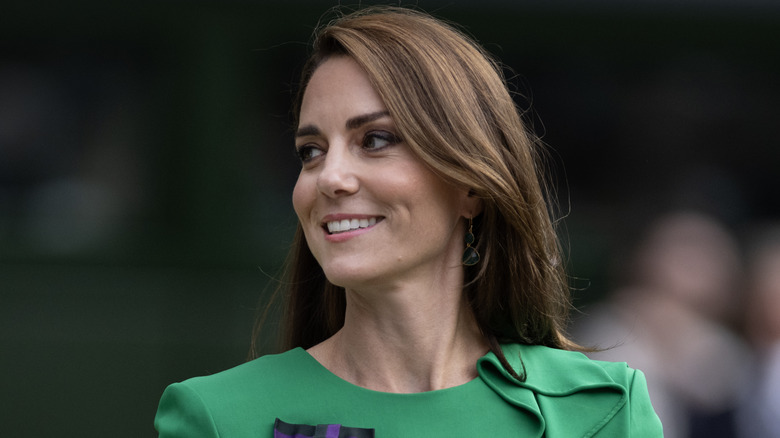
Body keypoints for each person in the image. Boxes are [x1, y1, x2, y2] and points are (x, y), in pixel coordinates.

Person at [154, 6, 662, 437]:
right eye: (310, 151)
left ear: (470, 185)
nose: (329, 177)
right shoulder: (218, 417)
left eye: (374, 140)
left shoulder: (602, 411)